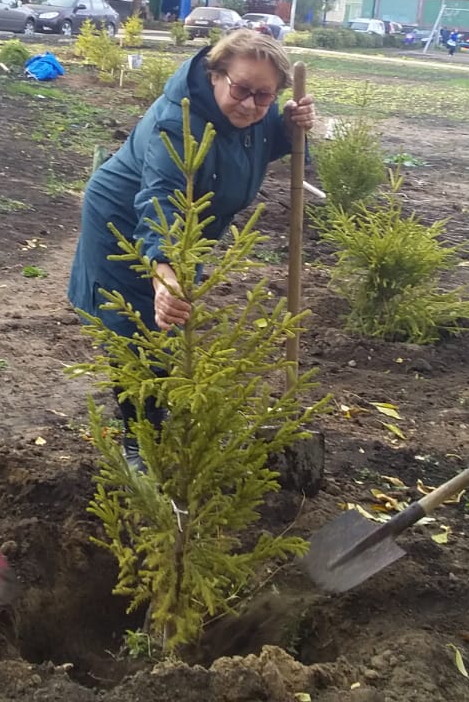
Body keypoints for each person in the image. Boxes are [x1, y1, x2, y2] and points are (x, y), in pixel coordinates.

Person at [68, 29, 315, 469]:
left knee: (169, 327)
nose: (251, 104)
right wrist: (162, 275)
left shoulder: (254, 113)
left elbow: (251, 145)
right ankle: (139, 443)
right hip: (125, 227)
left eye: (265, 96)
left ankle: (164, 419)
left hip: (187, 232)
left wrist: (286, 126)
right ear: (214, 73)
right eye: (241, 89)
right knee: (138, 333)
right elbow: (159, 200)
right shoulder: (176, 123)